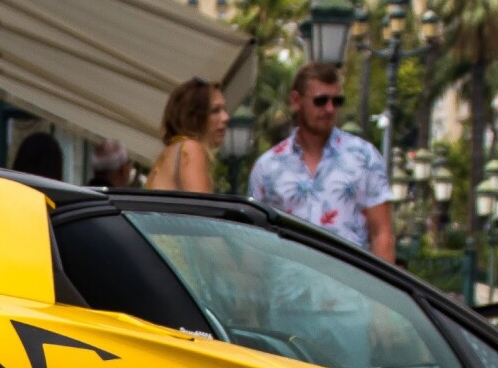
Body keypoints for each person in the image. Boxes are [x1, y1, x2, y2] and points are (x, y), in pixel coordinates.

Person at [246, 62, 395, 261]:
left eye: (337, 101)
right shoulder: (267, 167)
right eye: (321, 100)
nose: (330, 108)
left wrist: (381, 291)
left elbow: (382, 233)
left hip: (347, 285)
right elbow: (255, 240)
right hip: (288, 287)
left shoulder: (364, 157)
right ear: (296, 100)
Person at [151, 77, 224, 192]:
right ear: (194, 117)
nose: (226, 117)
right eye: (215, 111)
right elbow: (202, 207)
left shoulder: (174, 150)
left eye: (224, 109)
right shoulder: (191, 148)